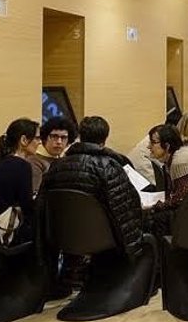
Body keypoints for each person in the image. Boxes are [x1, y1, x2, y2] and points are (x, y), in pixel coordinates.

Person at [37, 116, 145, 295]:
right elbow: (127, 208)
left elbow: (41, 205)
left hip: (63, 236)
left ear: (79, 136)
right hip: (102, 237)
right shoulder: (109, 166)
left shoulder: (56, 167)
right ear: (105, 138)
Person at [0, 118, 40, 243]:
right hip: (3, 230)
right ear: (24, 140)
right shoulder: (21, 166)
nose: (39, 142)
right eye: (37, 138)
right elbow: (27, 208)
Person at [29, 116, 77, 192]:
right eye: (54, 136)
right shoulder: (35, 161)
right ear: (45, 138)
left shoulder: (65, 160)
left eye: (63, 137)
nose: (59, 142)